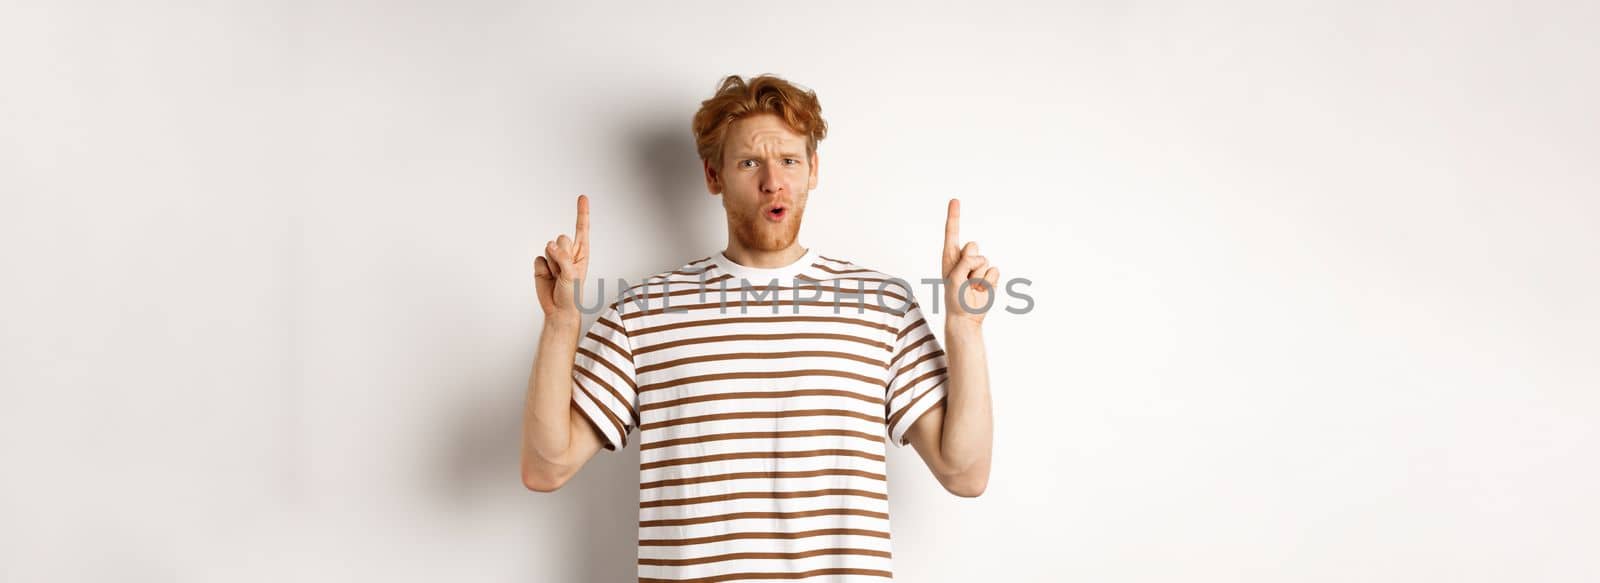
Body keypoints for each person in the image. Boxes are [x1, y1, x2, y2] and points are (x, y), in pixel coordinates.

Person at [521, 74, 996, 582]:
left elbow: (964, 473)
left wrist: (964, 330)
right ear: (712, 175)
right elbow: (546, 467)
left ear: (813, 170)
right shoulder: (643, 312)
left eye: (789, 161)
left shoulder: (883, 307)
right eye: (750, 162)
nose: (773, 181)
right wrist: (560, 325)